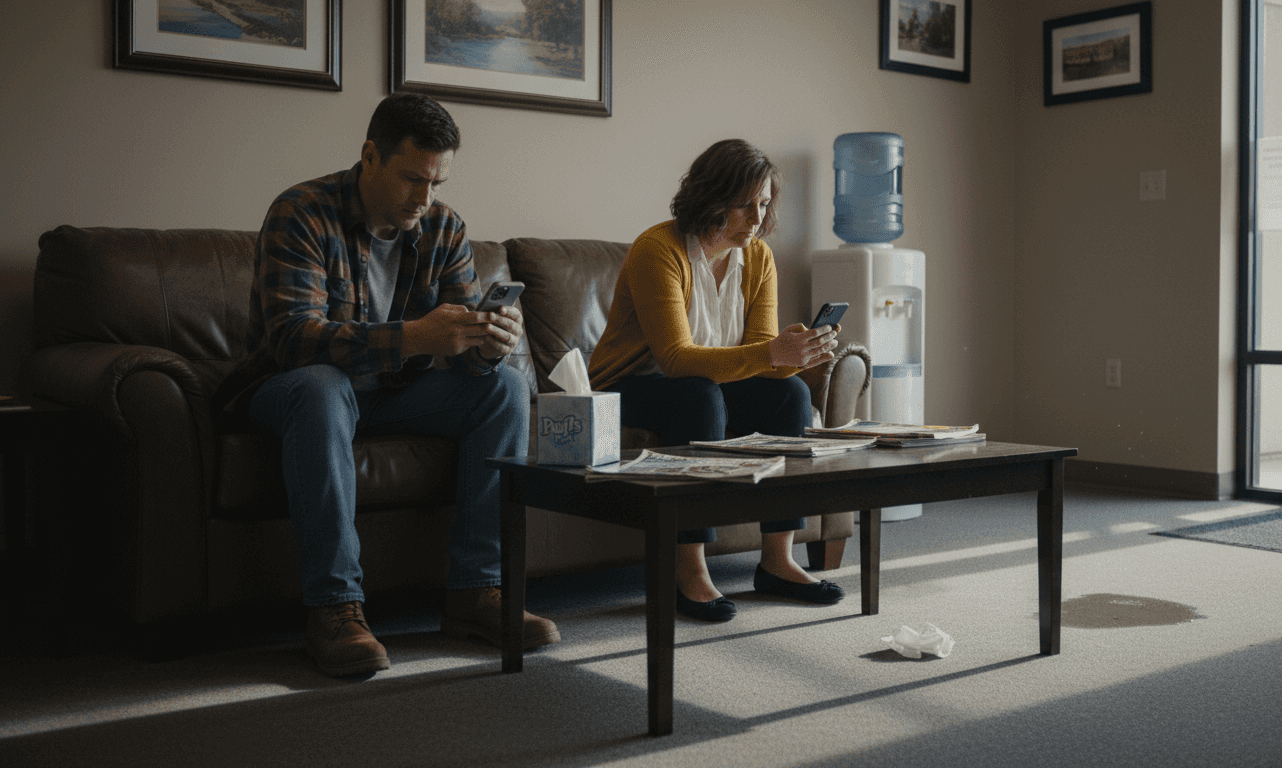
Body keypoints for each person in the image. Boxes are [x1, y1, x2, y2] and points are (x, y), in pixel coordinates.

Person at [220, 93, 559, 677]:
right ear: (370, 155)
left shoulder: (444, 226)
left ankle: (476, 594)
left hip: (392, 393)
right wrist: (411, 338)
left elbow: (460, 353)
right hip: (288, 391)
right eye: (411, 180)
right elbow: (292, 340)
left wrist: (486, 345)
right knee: (322, 386)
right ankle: (334, 609)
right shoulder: (301, 211)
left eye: (436, 182)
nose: (424, 199)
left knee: (502, 388)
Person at [587, 139, 846, 622]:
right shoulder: (657, 249)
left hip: (703, 384)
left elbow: (765, 361)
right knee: (697, 394)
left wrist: (799, 355)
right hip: (627, 386)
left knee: (789, 393)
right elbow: (676, 359)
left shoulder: (760, 259)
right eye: (745, 204)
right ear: (711, 197)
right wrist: (772, 353)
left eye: (764, 203)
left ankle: (777, 560)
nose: (757, 216)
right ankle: (690, 568)